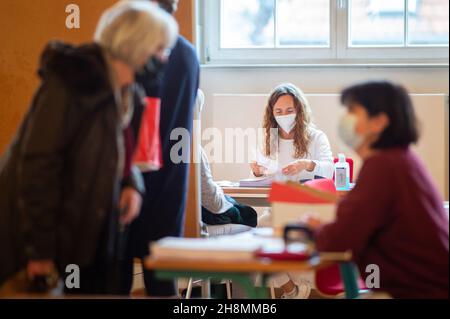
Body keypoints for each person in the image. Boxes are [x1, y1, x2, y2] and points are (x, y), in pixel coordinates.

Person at [0, 0, 178, 295]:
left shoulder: (128, 93)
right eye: (159, 49)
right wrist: (40, 252)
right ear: (136, 45)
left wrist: (132, 184)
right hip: (36, 241)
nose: (164, 58)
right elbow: (38, 166)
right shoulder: (70, 83)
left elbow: (121, 154)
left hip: (89, 235)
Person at [301, 81, 449, 299]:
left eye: (352, 111)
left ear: (378, 122)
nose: (345, 119)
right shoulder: (401, 159)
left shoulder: (382, 166)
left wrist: (315, 230)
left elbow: (339, 239)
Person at [122, 0, 200, 297]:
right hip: (171, 179)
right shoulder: (189, 54)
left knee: (117, 277)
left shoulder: (141, 50)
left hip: (132, 178)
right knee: (163, 279)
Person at [196, 90, 258, 228]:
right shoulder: (194, 149)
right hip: (205, 212)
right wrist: (223, 197)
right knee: (249, 214)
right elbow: (212, 202)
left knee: (230, 202)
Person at [251, 83, 334, 182]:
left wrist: (307, 164)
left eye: (289, 111)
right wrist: (257, 172)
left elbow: (329, 170)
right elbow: (254, 179)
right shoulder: (268, 139)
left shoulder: (316, 137)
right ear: (272, 114)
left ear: (299, 112)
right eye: (278, 112)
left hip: (307, 195)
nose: (284, 116)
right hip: (276, 195)